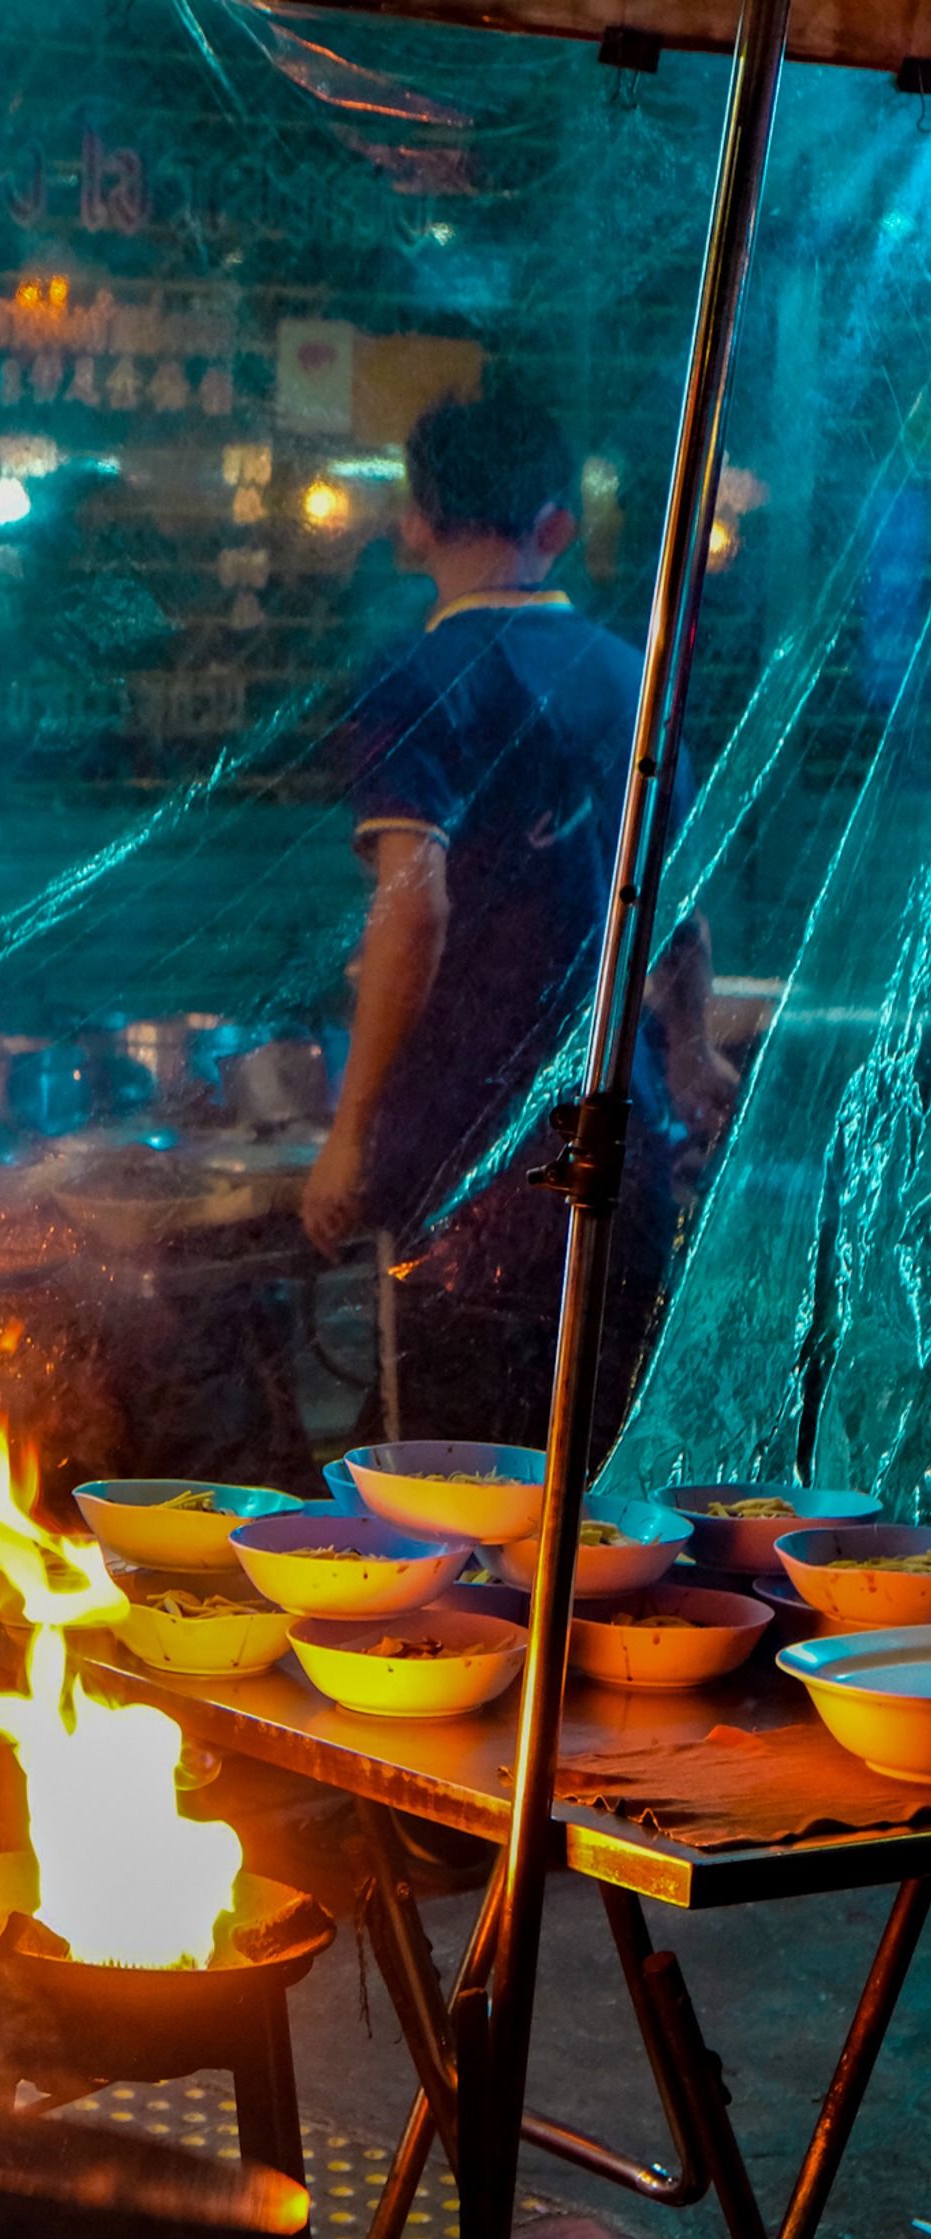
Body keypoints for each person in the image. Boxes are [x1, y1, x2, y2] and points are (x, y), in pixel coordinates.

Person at [301, 389, 738, 1452]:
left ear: (413, 520)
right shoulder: (630, 681)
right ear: (556, 528)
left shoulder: (413, 678)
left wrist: (349, 1131)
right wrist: (687, 1054)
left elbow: (414, 911)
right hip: (617, 1146)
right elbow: (670, 900)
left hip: (463, 1154)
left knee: (451, 1498)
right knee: (595, 1495)